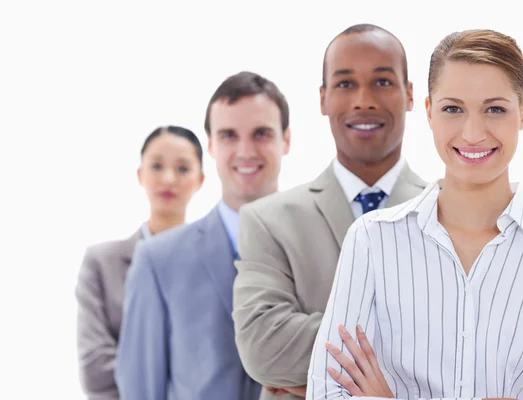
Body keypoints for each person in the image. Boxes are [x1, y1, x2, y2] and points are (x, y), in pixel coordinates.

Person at [307, 29, 523, 400]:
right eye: (453, 109)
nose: (473, 133)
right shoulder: (373, 239)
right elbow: (325, 392)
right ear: (428, 112)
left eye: (495, 109)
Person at [232, 24, 427, 400]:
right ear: (323, 99)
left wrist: (315, 381)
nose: (363, 100)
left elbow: (474, 349)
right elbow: (263, 346)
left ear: (410, 95)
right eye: (345, 84)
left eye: (383, 82)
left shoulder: (451, 211)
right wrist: (413, 351)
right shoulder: (268, 220)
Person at [115, 71, 291, 400]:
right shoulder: (158, 259)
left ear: (287, 140)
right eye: (228, 135)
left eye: (261, 133)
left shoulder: (327, 243)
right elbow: (140, 390)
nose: (245, 150)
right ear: (210, 145)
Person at [75, 125, 204, 399]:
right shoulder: (101, 263)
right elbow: (95, 371)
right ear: (140, 174)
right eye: (157, 166)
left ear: (200, 180)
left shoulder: (216, 264)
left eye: (183, 169)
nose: (168, 178)